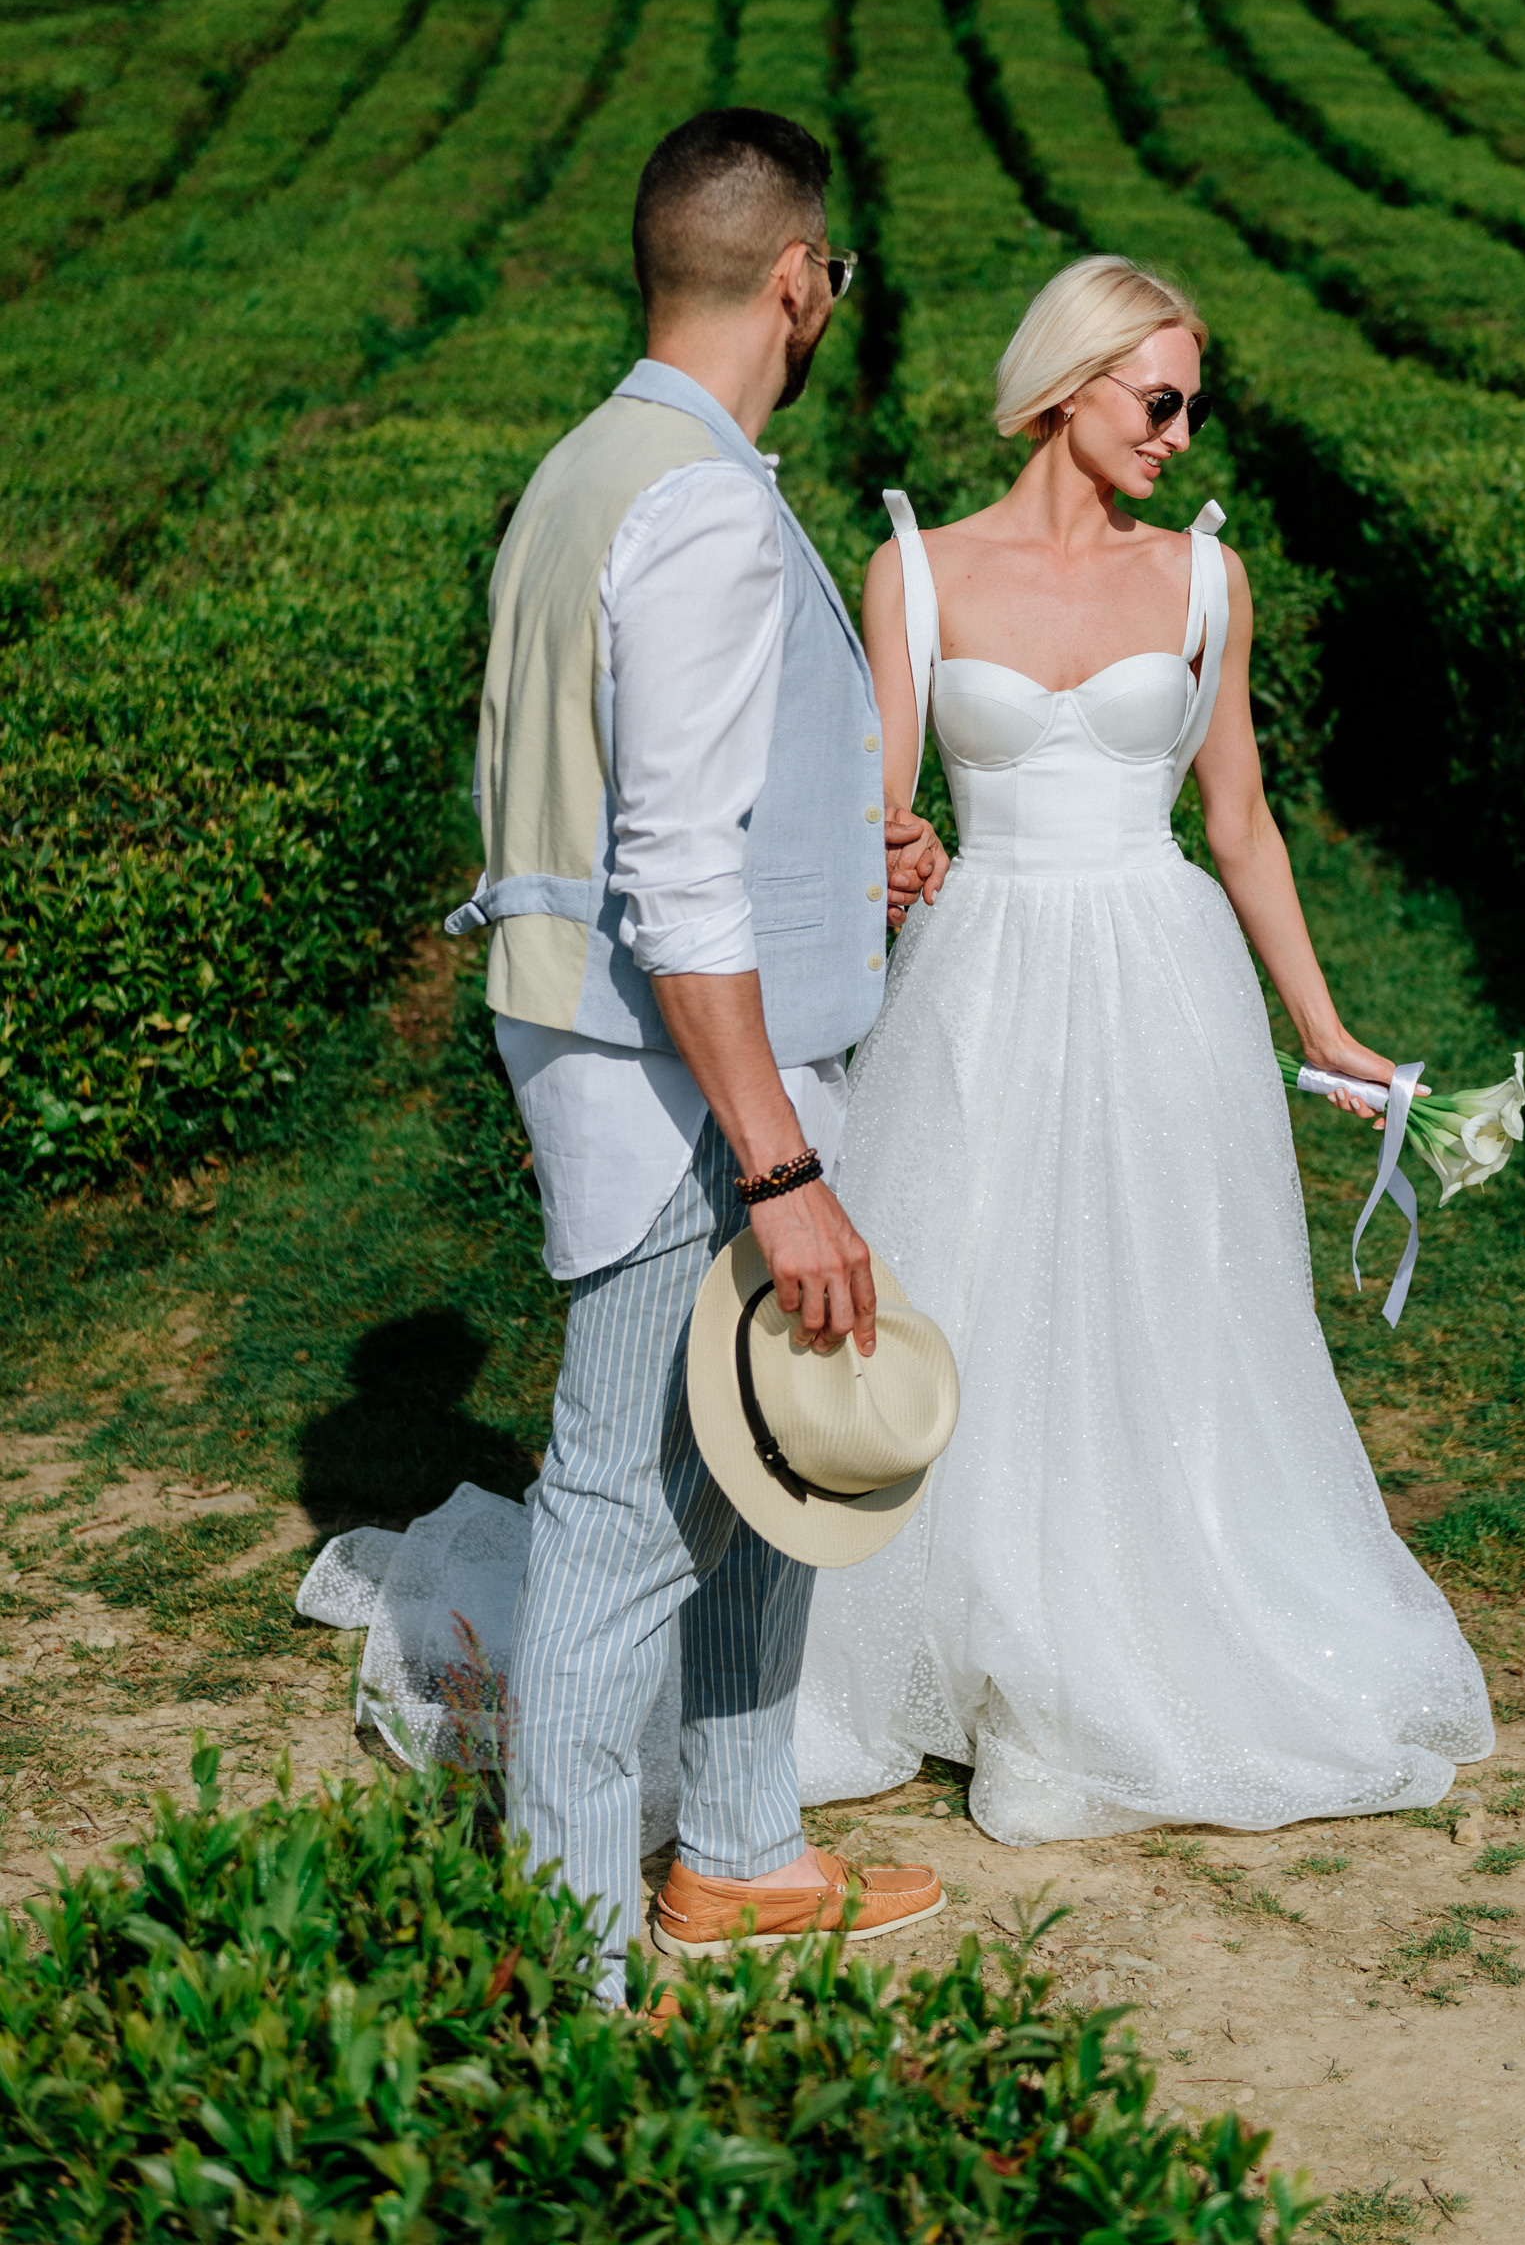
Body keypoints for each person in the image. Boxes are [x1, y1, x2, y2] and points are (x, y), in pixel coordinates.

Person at [795, 255, 1494, 1843]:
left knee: (1160, 1295)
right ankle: (958, 1637)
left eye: (1194, 406)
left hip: (1160, 974)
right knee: (973, 1287)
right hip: (978, 975)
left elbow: (1236, 820)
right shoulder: (910, 566)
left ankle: (1122, 1632)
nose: (1182, 433)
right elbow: (879, 805)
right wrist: (882, 848)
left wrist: (1322, 1027)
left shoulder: (1202, 581)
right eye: (1159, 398)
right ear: (1068, 384)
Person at [447, 105, 948, 1994]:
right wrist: (783, 1166)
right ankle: (563, 1959)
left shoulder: (600, 461)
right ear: (800, 277)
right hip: (676, 1093)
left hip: (635, 1049)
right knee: (621, 1510)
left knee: (758, 1473)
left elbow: (655, 797)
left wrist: (850, 847)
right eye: (837, 276)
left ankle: (737, 1855)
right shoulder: (711, 503)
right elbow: (665, 869)